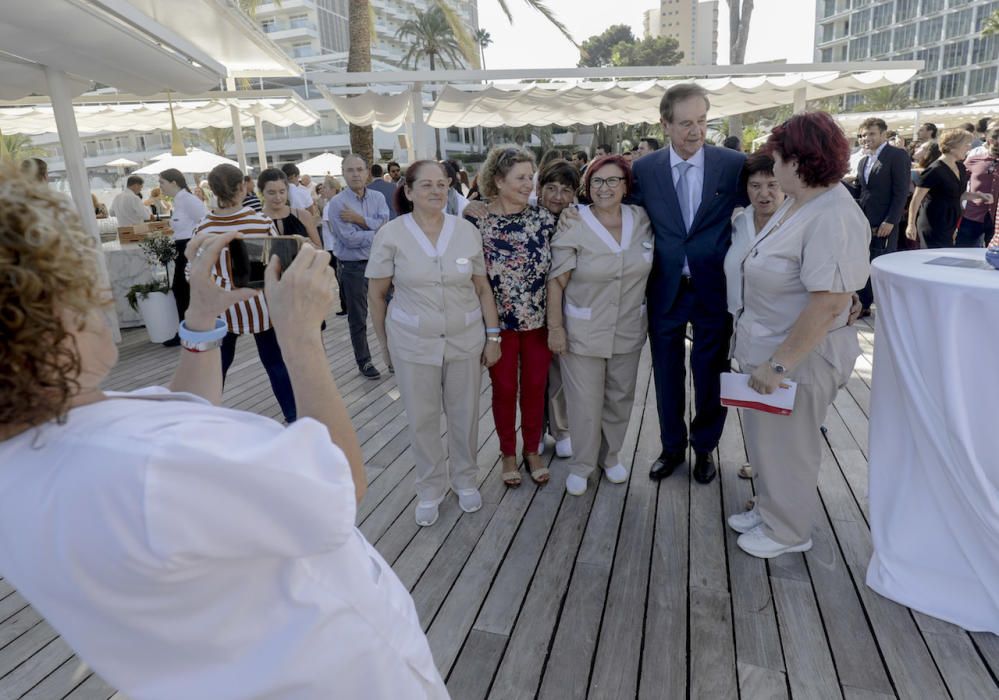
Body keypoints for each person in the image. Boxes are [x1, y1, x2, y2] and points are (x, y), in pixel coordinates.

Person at [0, 164, 449, 700]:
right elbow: (340, 486)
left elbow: (177, 412)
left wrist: (200, 324)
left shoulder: (31, 453)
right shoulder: (152, 461)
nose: (100, 299)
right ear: (44, 318)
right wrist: (302, 337)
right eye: (80, 282)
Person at [726, 111, 871, 559]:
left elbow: (828, 303)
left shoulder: (833, 214)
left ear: (800, 160)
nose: (773, 163)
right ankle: (771, 508)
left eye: (779, 156)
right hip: (767, 345)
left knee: (790, 445)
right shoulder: (799, 201)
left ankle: (788, 530)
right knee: (767, 440)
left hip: (799, 357)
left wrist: (779, 363)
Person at [367, 161, 502, 526]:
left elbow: (482, 288)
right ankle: (430, 488)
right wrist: (384, 346)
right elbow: (377, 296)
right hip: (412, 342)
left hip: (465, 339)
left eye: (442, 184)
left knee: (465, 415)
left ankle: (465, 480)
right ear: (408, 191)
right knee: (422, 419)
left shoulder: (465, 231)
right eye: (426, 185)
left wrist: (493, 336)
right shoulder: (391, 235)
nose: (436, 191)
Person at [632, 83, 747, 485]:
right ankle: (671, 447)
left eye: (702, 121)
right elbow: (622, 213)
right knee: (666, 373)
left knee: (711, 372)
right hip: (664, 288)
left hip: (714, 288)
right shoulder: (644, 170)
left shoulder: (733, 164)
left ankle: (704, 448)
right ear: (664, 124)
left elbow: (769, 204)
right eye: (685, 123)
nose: (696, 131)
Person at [547, 155, 653, 496]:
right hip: (582, 331)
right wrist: (556, 328)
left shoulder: (642, 219)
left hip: (628, 328)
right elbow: (556, 282)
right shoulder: (575, 222)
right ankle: (582, 464)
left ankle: (611, 457)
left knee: (620, 397)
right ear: (587, 186)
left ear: (626, 186)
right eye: (597, 182)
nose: (604, 188)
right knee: (584, 401)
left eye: (612, 181)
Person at [467, 146, 555, 487]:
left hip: (537, 322)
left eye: (530, 177)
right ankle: (507, 453)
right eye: (520, 178)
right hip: (496, 325)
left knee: (535, 387)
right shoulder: (476, 218)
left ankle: (532, 450)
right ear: (499, 181)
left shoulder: (544, 218)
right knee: (503, 389)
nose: (528, 184)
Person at [197, 164, 297, 424]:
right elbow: (278, 261)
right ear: (243, 187)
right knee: (276, 364)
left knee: (217, 368)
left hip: (222, 307)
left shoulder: (204, 226)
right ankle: (294, 416)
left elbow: (193, 271)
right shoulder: (259, 221)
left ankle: (203, 418)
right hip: (259, 302)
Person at [324, 153, 391, 379]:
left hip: (381, 263)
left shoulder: (378, 198)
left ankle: (393, 358)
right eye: (350, 170)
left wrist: (360, 220)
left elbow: (386, 230)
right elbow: (349, 239)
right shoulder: (337, 204)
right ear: (343, 173)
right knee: (358, 319)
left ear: (367, 172)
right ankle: (365, 362)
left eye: (359, 169)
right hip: (353, 268)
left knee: (391, 313)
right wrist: (375, 230)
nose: (355, 174)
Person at [536, 160, 580, 459]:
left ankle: (561, 429)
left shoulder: (579, 219)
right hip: (528, 308)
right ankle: (534, 429)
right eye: (551, 188)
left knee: (559, 371)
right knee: (532, 373)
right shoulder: (527, 216)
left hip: (566, 306)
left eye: (566, 190)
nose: (558, 196)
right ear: (539, 190)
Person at [852, 117, 911, 317]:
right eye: (862, 135)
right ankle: (864, 304)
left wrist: (891, 220)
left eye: (871, 134)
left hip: (885, 222)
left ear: (883, 134)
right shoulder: (863, 160)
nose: (865, 138)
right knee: (864, 262)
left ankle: (887, 309)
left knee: (882, 265)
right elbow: (861, 191)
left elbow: (901, 191)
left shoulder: (896, 155)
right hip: (865, 222)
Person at [908, 129, 992, 249]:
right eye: (966, 144)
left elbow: (958, 194)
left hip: (951, 221)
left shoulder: (960, 167)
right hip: (933, 222)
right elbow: (916, 200)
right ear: (953, 146)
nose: (969, 148)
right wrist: (911, 224)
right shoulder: (934, 170)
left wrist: (979, 196)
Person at [158, 168, 207, 346]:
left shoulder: (188, 200)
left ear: (174, 182)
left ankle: (188, 333)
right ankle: (187, 332)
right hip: (182, 248)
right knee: (182, 291)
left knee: (183, 290)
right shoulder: (179, 201)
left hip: (190, 249)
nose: (160, 186)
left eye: (162, 182)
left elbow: (204, 223)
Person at [257, 168, 322, 248]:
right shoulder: (256, 220)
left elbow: (319, 248)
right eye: (271, 193)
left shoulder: (303, 215)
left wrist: (305, 244)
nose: (278, 197)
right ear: (261, 193)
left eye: (282, 192)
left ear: (287, 190)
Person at [957, 125, 999, 248]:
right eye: (996, 139)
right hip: (973, 215)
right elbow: (958, 182)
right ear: (990, 140)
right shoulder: (973, 159)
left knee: (995, 257)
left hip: (996, 220)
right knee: (963, 252)